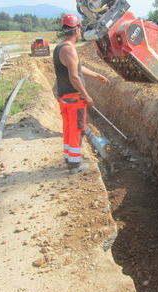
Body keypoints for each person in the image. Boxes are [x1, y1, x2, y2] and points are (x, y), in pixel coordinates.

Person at [53, 14, 109, 173]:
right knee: (77, 130)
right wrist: (86, 95)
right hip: (74, 99)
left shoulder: (60, 47)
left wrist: (96, 75)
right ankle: (75, 164)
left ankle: (69, 158)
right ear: (77, 29)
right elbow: (74, 76)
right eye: (80, 28)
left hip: (65, 99)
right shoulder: (69, 49)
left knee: (69, 129)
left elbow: (75, 68)